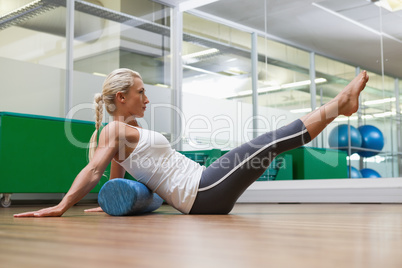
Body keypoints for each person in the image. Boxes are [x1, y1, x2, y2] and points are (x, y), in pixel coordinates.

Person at [14, 68, 369, 217]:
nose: (147, 100)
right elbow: (93, 170)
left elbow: (113, 179)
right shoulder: (113, 132)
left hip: (203, 183)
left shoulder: (122, 133)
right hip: (201, 191)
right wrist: (61, 206)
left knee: (269, 143)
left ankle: (339, 108)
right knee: (268, 142)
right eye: (141, 93)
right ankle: (339, 105)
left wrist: (114, 202)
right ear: (121, 98)